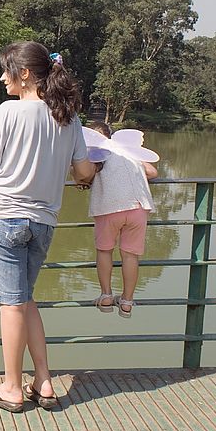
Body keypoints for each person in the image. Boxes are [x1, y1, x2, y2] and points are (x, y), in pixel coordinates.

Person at [0, 42, 96, 413]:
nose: (1, 77)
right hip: (44, 222)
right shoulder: (69, 117)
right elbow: (84, 172)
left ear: (24, 74)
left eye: (6, 70)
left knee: (10, 304)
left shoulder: (8, 112)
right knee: (25, 300)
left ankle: (11, 387)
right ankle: (43, 382)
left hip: (5, 217)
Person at [86, 121, 159, 318]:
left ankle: (106, 296)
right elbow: (153, 172)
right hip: (138, 207)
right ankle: (126, 302)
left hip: (108, 207)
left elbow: (84, 175)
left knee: (104, 251)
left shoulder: (94, 153)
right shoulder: (126, 149)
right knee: (130, 256)